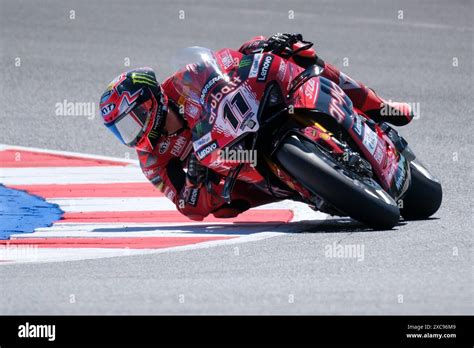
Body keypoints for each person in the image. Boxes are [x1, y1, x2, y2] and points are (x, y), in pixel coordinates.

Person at [99, 33, 414, 221]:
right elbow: (186, 206)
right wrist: (195, 181)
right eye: (122, 130)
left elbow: (226, 63)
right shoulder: (152, 160)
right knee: (223, 211)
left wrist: (259, 50)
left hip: (251, 113)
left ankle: (374, 102)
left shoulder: (183, 81)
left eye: (133, 119)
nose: (134, 133)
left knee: (296, 54)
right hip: (235, 168)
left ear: (151, 101)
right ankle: (313, 186)